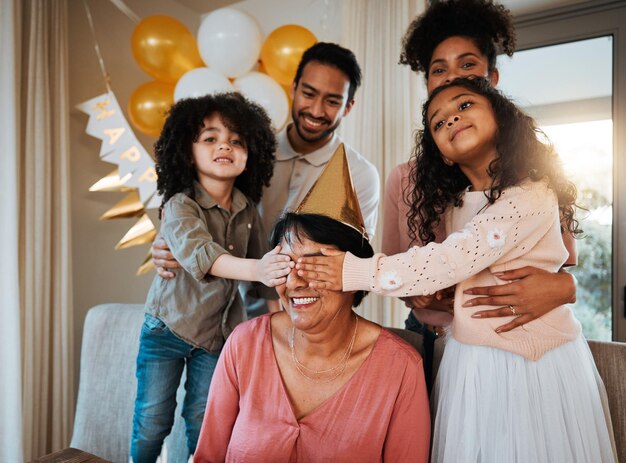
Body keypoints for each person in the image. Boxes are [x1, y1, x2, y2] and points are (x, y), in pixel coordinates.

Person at [296, 77, 616, 462]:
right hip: (472, 358)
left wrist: (354, 271)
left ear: (500, 118)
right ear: (443, 154)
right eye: (438, 122)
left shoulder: (531, 194)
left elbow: (449, 259)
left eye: (464, 106)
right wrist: (447, 292)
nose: (451, 119)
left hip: (529, 366)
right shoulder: (458, 204)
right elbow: (463, 266)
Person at [383, 0, 577, 388]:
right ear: (427, 87)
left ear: (492, 78)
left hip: (514, 340)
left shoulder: (535, 171)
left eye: (467, 65)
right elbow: (396, 265)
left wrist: (566, 287)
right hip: (432, 338)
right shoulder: (403, 179)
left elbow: (563, 260)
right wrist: (419, 295)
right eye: (439, 70)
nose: (452, 77)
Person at [151, 43, 381, 318]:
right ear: (293, 89)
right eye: (308, 93)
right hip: (228, 312)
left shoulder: (360, 175)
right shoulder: (245, 154)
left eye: (332, 101)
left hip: (308, 313)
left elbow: (352, 264)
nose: (317, 110)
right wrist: (166, 243)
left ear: (348, 107)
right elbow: (201, 207)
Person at [131, 93, 293, 462]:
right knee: (152, 419)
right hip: (167, 328)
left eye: (237, 140)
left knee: (204, 418)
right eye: (211, 138)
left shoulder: (247, 209)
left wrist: (278, 322)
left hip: (217, 335)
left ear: (251, 155)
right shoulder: (178, 205)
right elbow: (201, 254)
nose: (225, 145)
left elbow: (262, 280)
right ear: (188, 152)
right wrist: (258, 267)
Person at [194, 213, 430, 463]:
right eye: (285, 265)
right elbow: (208, 457)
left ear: (353, 270)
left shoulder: (400, 367)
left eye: (315, 266)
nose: (294, 282)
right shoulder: (244, 344)